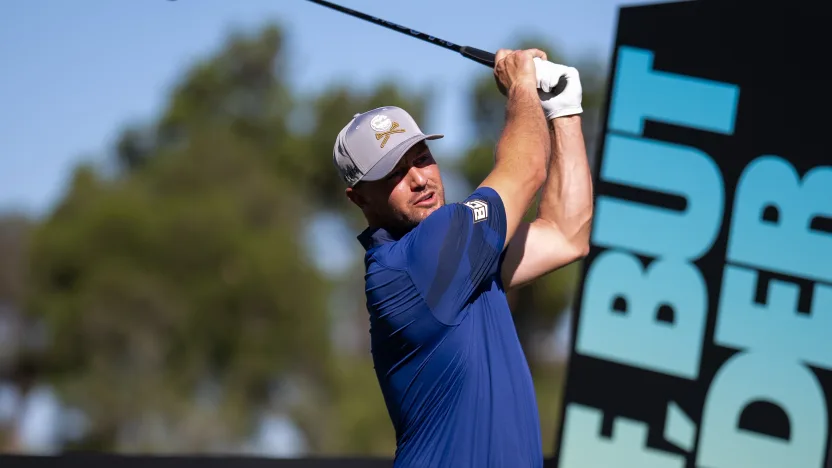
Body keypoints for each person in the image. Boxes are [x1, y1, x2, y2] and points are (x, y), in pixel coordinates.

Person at [331, 48, 594, 467]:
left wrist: (564, 110)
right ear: (359, 197)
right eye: (395, 173)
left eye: (421, 158)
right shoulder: (419, 260)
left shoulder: (462, 262)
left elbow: (568, 234)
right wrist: (522, 84)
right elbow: (526, 168)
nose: (419, 179)